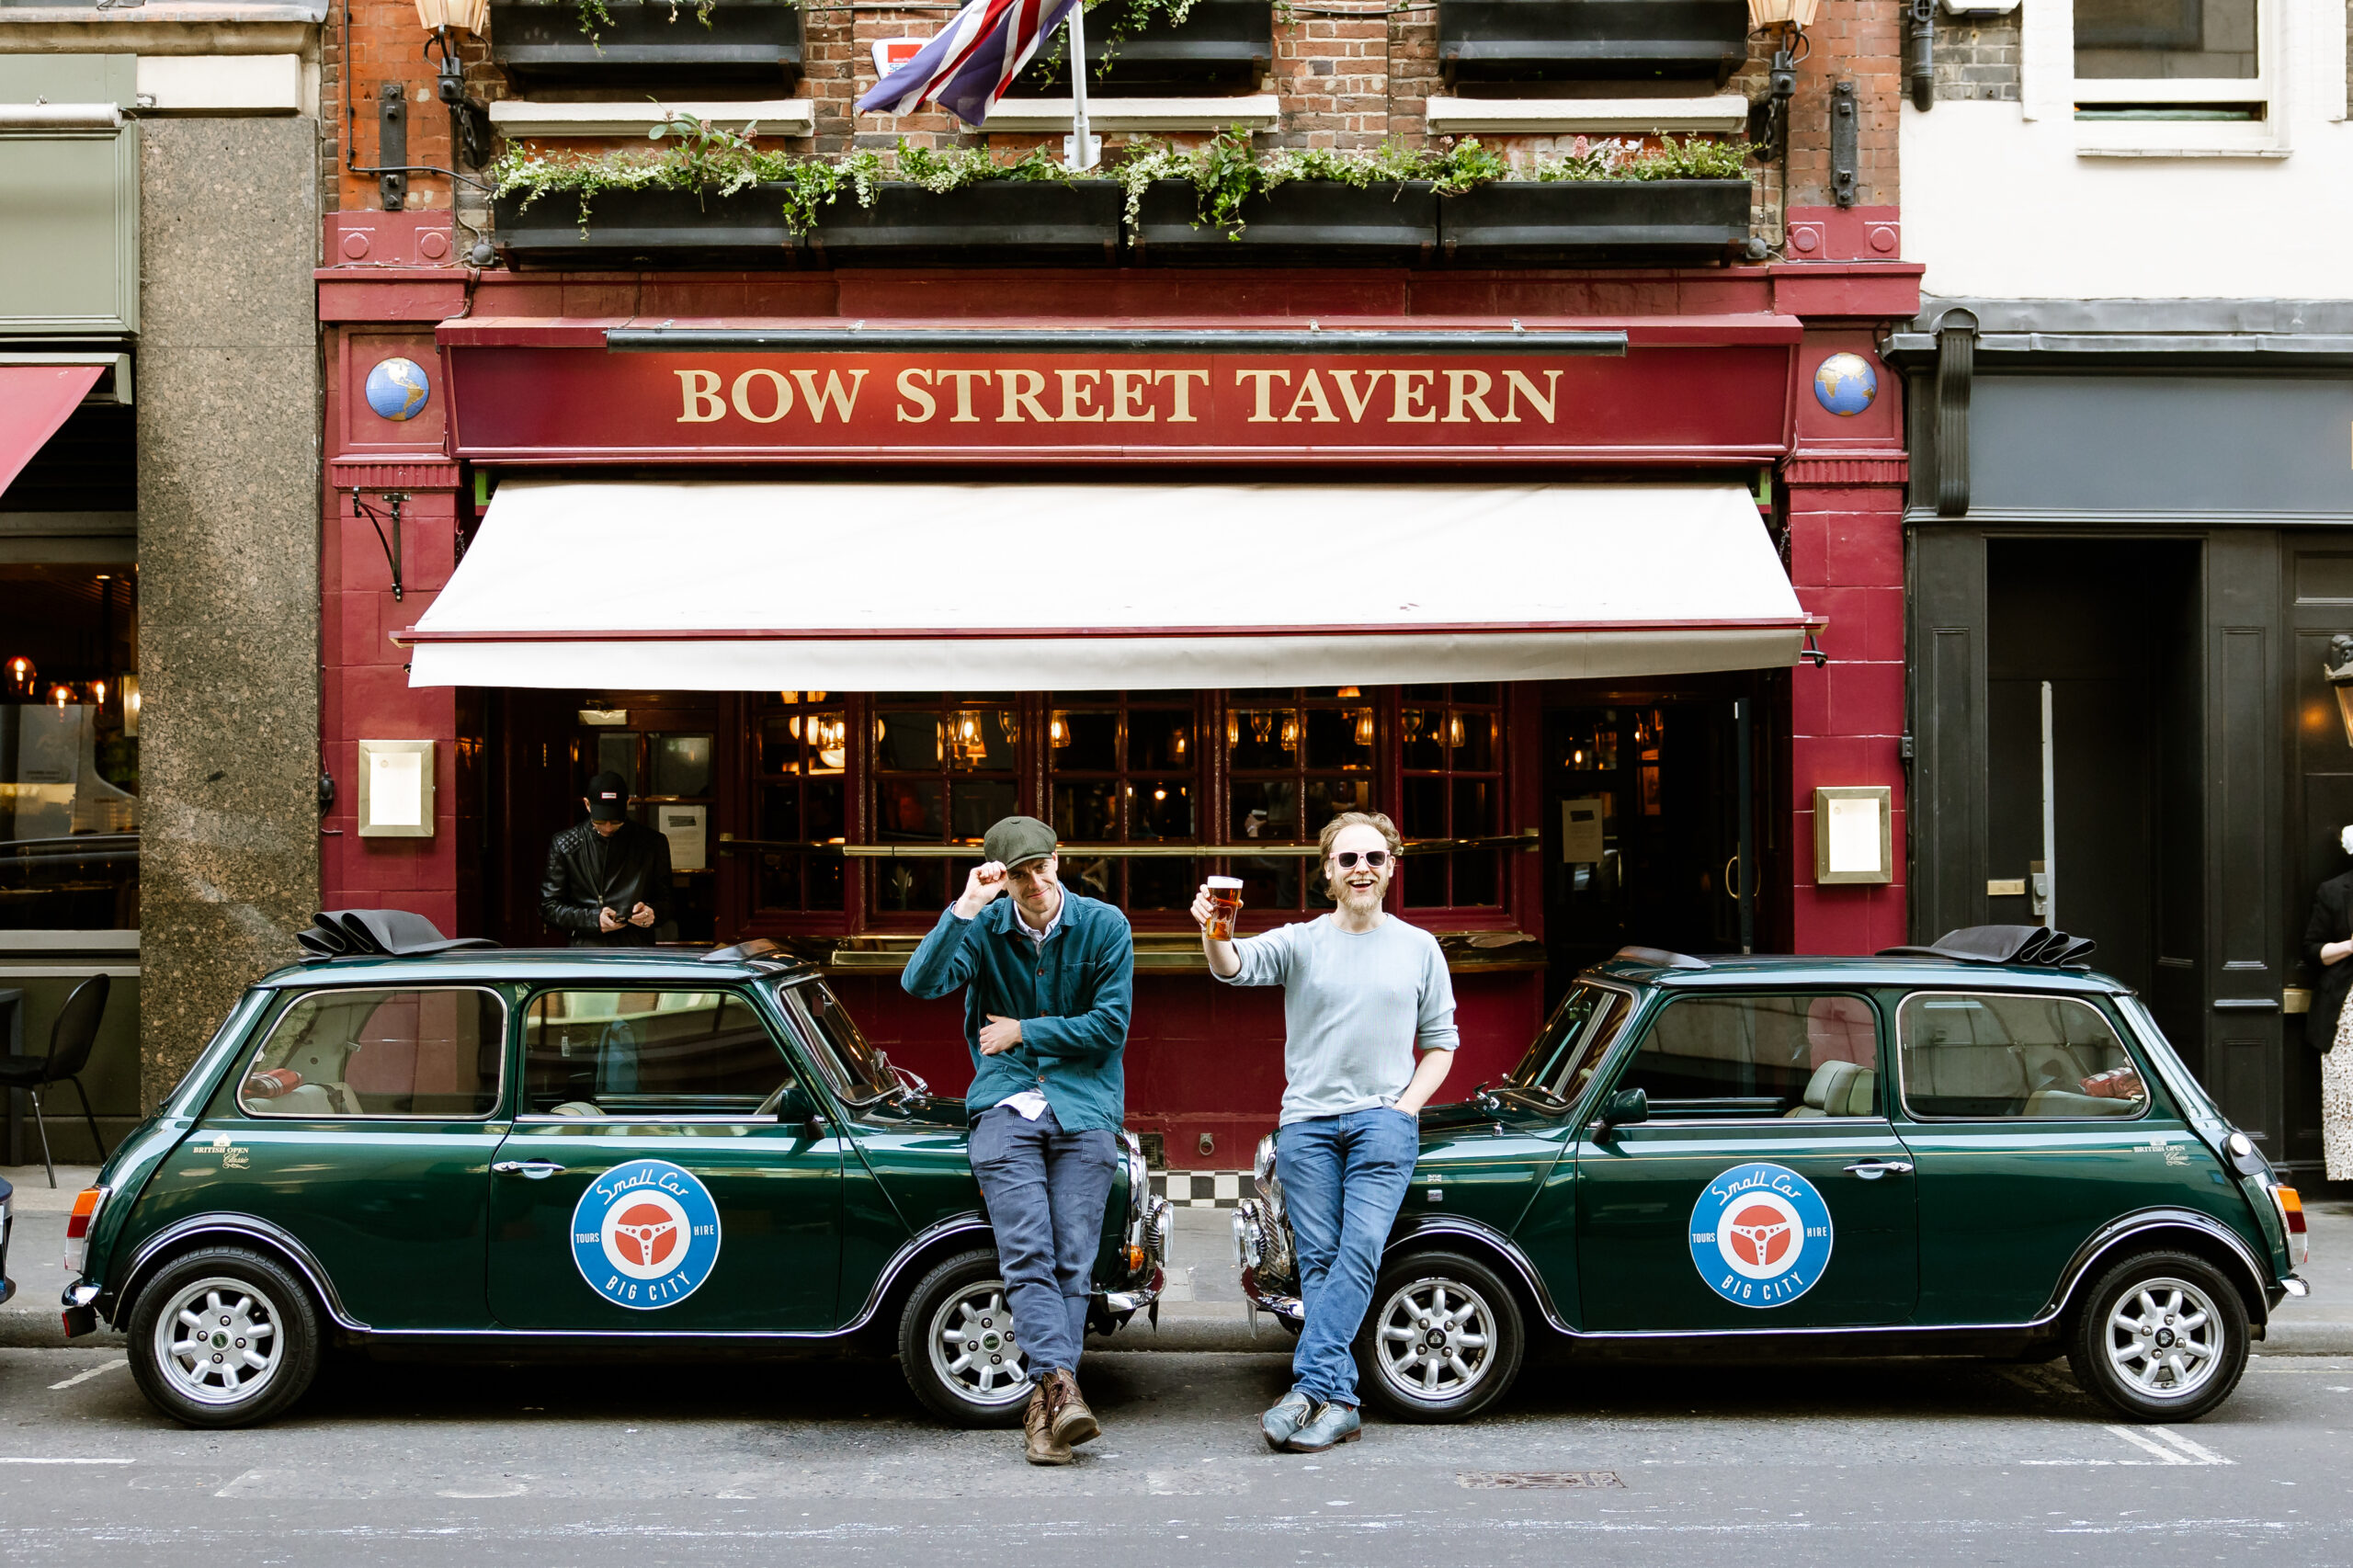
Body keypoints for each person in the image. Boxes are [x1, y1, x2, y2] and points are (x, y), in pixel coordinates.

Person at [1192, 810, 1456, 1454]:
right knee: (1317, 1263)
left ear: (1391, 867)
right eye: (1347, 860)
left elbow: (1442, 1044)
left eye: (1372, 858)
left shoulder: (1419, 946)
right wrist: (1212, 928)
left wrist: (1404, 1109)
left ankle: (1307, 1388)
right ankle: (1338, 1401)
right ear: (1329, 875)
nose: (1360, 868)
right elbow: (1230, 967)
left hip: (1381, 1124)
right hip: (1307, 1125)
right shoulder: (1300, 941)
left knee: (1359, 1250)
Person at [903, 815, 1135, 1466]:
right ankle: (1062, 1390)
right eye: (1019, 874)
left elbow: (1110, 1026)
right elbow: (920, 984)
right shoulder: (984, 926)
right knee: (1028, 1251)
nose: (1035, 883)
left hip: (1085, 1107)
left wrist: (1025, 1030)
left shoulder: (1105, 926)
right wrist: (965, 906)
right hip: (1005, 1107)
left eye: (1042, 867)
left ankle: (1046, 1408)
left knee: (1073, 1261)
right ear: (1000, 878)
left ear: (1060, 858)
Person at [540, 770, 675, 948]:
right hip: (588, 947)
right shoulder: (565, 844)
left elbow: (668, 901)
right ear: (587, 805)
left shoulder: (652, 843)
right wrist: (593, 919)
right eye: (601, 822)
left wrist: (653, 912)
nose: (609, 828)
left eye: (616, 822)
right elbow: (548, 907)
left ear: (627, 804)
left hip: (636, 946)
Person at [2300, 824, 2353, 1180]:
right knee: (2347, 1099)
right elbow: (2313, 950)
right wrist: (2351, 945)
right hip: (2345, 1012)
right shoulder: (2334, 891)